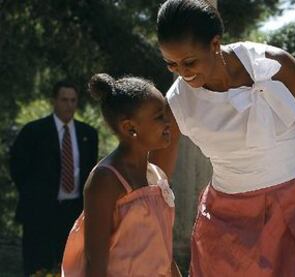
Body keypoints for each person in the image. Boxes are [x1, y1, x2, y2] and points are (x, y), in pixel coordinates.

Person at [150, 0, 295, 276]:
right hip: (230, 223)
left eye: (189, 62)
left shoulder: (275, 66)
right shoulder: (177, 103)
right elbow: (155, 182)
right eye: (171, 65)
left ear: (215, 44)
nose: (183, 73)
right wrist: (157, 246)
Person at [61, 73, 181, 277]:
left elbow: (163, 251)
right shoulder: (106, 180)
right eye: (159, 116)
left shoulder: (157, 175)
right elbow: (94, 261)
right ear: (130, 128)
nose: (168, 122)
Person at [9, 80, 98, 276]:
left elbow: (91, 171)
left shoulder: (88, 134)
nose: (69, 105)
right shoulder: (34, 132)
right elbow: (17, 166)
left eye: (73, 100)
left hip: (73, 213)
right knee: (37, 267)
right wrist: (34, 193)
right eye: (64, 100)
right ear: (54, 101)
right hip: (39, 213)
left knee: (71, 267)